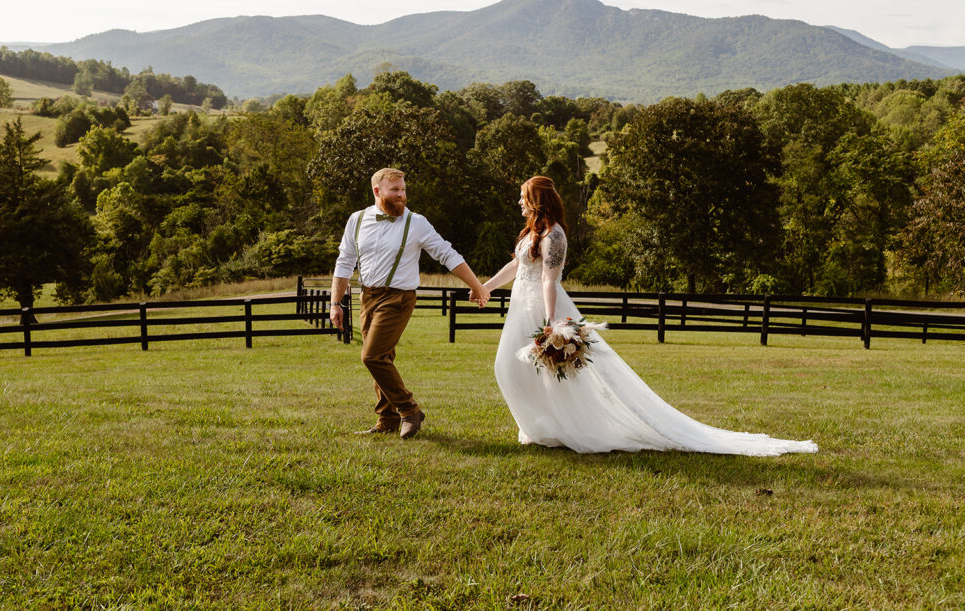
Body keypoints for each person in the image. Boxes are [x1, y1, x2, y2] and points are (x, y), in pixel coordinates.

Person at [481, 176, 818, 455]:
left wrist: (552, 324)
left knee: (540, 372)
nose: (520, 203)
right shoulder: (532, 232)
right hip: (520, 308)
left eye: (524, 198)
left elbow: (548, 279)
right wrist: (487, 288)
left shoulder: (555, 235)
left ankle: (559, 428)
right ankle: (541, 426)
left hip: (541, 309)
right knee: (509, 368)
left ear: (537, 200)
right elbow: (517, 265)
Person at [330, 168, 490, 439]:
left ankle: (409, 409)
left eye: (403, 189)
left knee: (371, 356)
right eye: (395, 190)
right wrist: (336, 303)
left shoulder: (417, 223)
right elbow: (345, 262)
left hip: (399, 297)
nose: (402, 195)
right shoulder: (356, 220)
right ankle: (387, 419)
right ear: (377, 191)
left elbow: (447, 254)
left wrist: (477, 286)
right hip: (367, 296)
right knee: (383, 357)